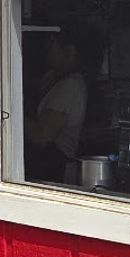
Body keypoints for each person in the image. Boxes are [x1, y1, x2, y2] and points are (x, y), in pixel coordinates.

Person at [23, 28, 88, 184]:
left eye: (52, 44)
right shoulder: (51, 78)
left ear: (69, 51)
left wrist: (10, 110)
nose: (46, 49)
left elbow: (42, 136)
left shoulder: (70, 86)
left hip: (55, 169)